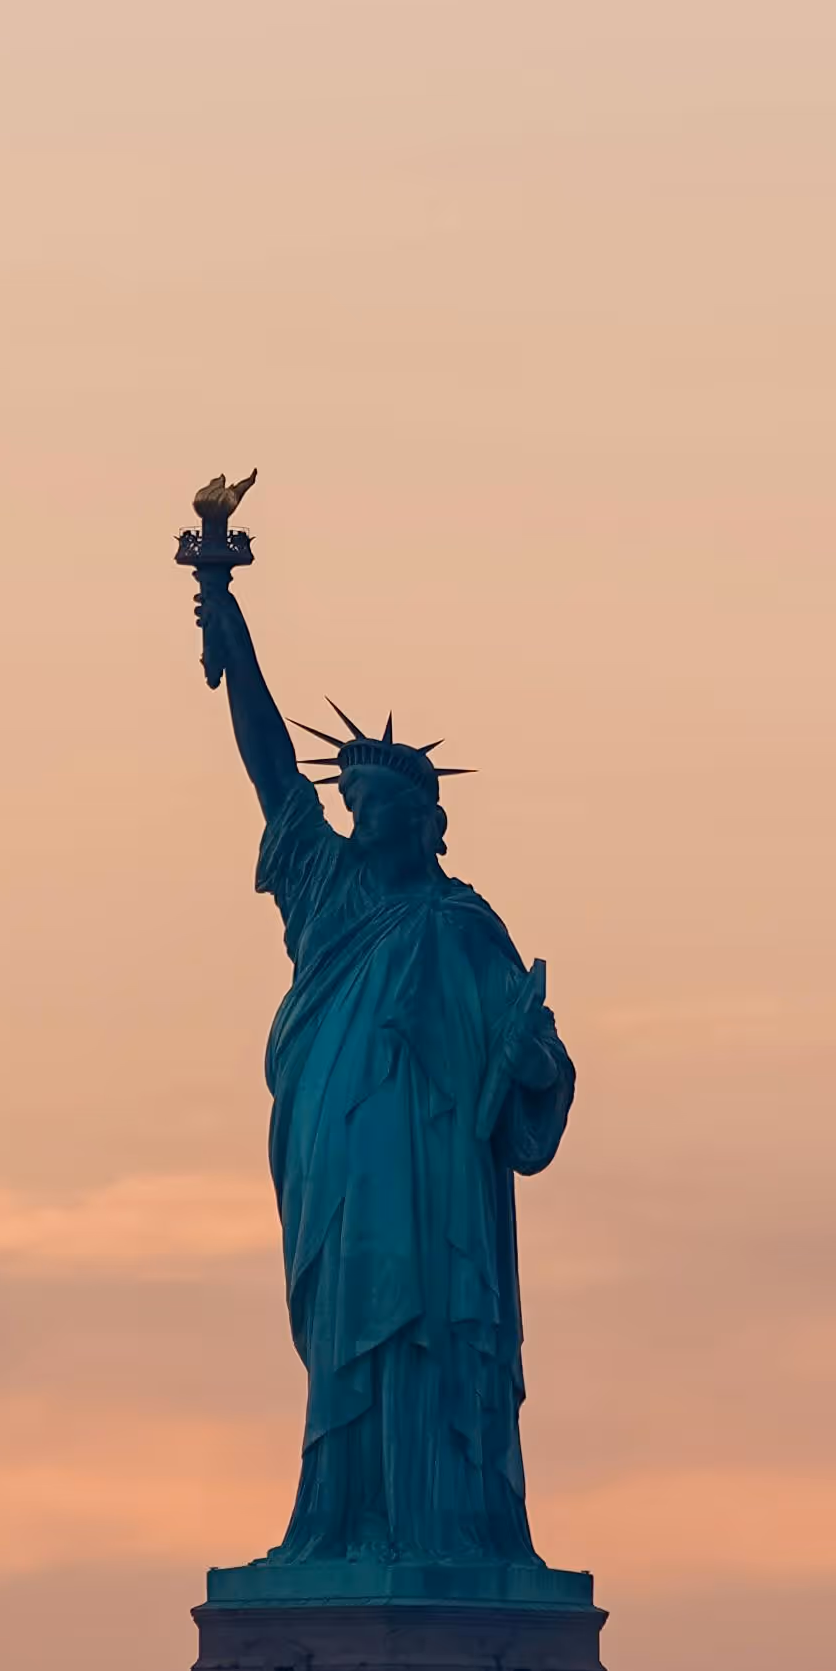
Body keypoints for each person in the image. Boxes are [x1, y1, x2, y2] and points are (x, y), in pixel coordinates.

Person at [196, 573, 575, 1567]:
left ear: (423, 820)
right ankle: (341, 1519)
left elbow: (532, 1056)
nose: (358, 816)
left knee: (433, 1330)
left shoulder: (463, 925)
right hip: (338, 1155)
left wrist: (532, 1063)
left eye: (376, 805)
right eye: (352, 802)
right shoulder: (323, 885)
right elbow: (272, 769)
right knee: (349, 1332)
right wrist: (234, 634)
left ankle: (441, 1526)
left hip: (439, 1177)